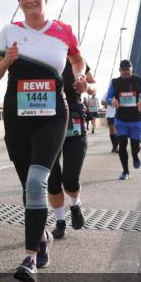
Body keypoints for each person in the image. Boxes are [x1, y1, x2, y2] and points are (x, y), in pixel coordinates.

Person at [0, 0, 86, 282]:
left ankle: (29, 258)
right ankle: (42, 236)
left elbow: (77, 60)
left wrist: (80, 76)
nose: (31, 1)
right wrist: (8, 60)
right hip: (16, 116)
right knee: (27, 188)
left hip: (53, 114)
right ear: (19, 1)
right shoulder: (9, 32)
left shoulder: (63, 31)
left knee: (35, 183)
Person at [49, 64, 93, 240]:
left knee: (70, 180)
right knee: (52, 181)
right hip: (47, 123)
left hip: (73, 125)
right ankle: (60, 223)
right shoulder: (37, 55)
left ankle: (75, 205)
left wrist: (87, 87)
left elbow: (93, 85)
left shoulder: (75, 60)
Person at [105, 59, 141, 180]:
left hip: (136, 119)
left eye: (128, 72)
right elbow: (108, 97)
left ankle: (135, 155)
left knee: (134, 146)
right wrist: (112, 100)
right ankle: (125, 171)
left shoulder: (139, 80)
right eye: (124, 72)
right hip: (121, 119)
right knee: (122, 145)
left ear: (132, 69)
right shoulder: (115, 82)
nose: (126, 74)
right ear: (120, 71)